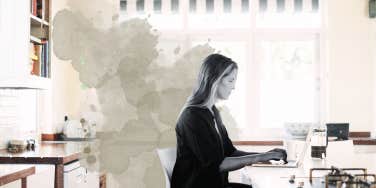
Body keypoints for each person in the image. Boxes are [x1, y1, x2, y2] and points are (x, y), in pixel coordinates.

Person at [171, 54, 287, 188]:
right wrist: (260, 158)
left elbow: (231, 152)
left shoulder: (212, 111)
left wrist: (266, 155)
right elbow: (217, 164)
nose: (233, 87)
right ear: (215, 80)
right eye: (230, 81)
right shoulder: (192, 117)